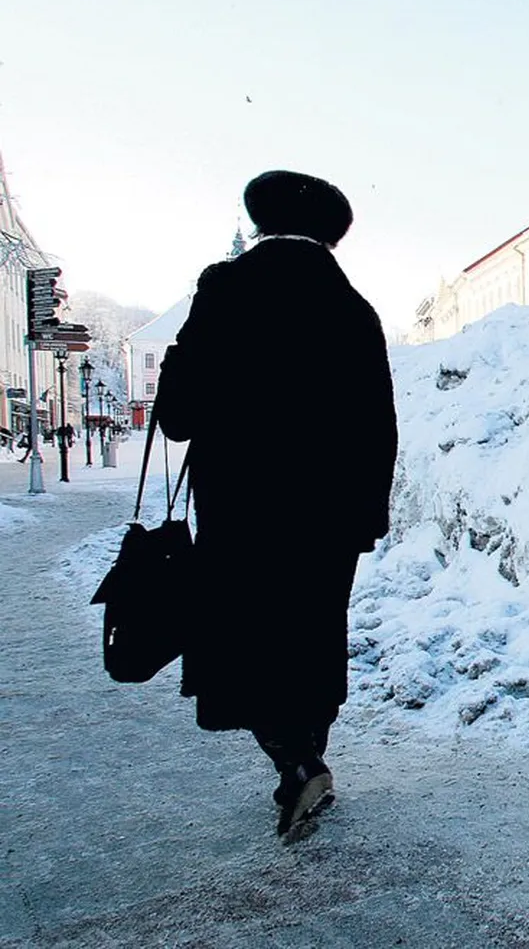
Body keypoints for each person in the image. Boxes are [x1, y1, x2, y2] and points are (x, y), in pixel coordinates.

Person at [156, 170, 398, 838]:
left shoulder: (224, 293)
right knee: (313, 631)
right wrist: (367, 514)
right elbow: (380, 424)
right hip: (328, 516)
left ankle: (291, 760)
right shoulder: (353, 309)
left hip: (240, 510)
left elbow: (176, 415)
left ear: (258, 224)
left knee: (246, 633)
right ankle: (308, 753)